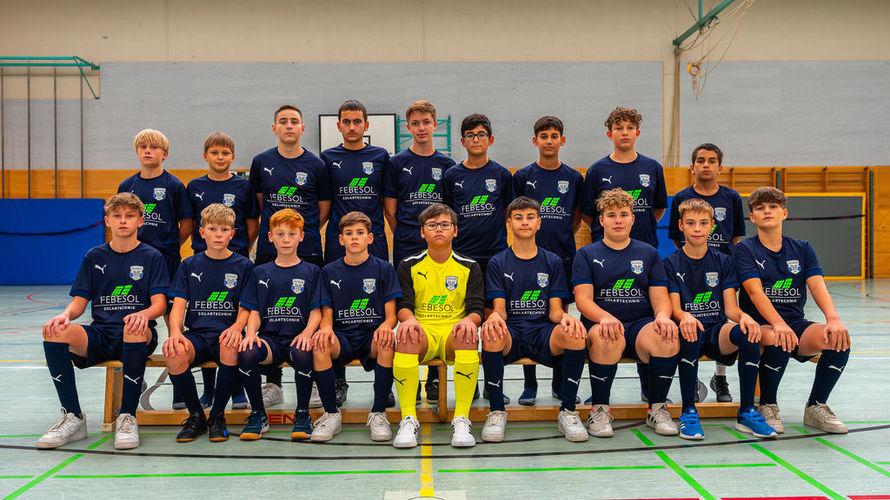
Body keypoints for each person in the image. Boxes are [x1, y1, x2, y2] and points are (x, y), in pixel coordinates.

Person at [37, 193, 168, 450]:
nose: (123, 221)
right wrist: (64, 316)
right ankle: (73, 416)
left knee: (133, 329)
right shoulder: (94, 256)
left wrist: (143, 315)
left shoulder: (151, 256)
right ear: (107, 220)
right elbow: (79, 302)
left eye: (129, 216)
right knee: (54, 332)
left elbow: (160, 304)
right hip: (102, 333)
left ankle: (127, 416)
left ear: (141, 220)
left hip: (138, 333)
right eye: (117, 216)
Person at [735, 187, 851, 434]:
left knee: (838, 339)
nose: (767, 211)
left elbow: (817, 286)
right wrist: (778, 324)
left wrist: (833, 319)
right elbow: (755, 293)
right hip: (760, 325)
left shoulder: (802, 248)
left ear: (784, 213)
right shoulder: (745, 250)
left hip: (796, 323)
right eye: (760, 208)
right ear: (752, 217)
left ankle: (816, 406)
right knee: (779, 338)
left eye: (773, 207)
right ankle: (768, 404)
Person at [664, 198, 776, 440]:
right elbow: (675, 309)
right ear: (680, 225)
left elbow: (731, 309)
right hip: (689, 330)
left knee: (749, 332)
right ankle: (688, 412)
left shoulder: (724, 261)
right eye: (690, 223)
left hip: (716, 331)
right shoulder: (670, 263)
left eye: (703, 223)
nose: (697, 228)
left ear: (712, 226)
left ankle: (747, 411)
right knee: (690, 333)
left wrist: (745, 317)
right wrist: (684, 316)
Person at [580, 106, 670, 405]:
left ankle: (649, 388)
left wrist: (634, 236)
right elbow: (587, 213)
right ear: (610, 134)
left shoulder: (652, 167)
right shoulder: (597, 170)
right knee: (605, 318)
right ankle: (600, 395)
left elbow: (658, 208)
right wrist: (611, 236)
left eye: (630, 128)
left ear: (637, 133)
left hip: (643, 251)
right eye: (619, 128)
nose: (625, 133)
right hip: (605, 255)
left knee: (645, 314)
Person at [480, 197, 588, 443]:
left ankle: (568, 411)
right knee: (492, 333)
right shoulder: (498, 262)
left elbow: (555, 312)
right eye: (518, 218)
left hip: (542, 331)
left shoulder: (552, 261)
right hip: (513, 332)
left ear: (539, 222)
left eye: (530, 217)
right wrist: (494, 317)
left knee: (575, 333)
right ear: (509, 223)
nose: (525, 222)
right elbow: (500, 310)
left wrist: (567, 318)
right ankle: (497, 411)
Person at [573, 188, 679, 438]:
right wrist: (604, 317)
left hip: (640, 325)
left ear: (633, 218)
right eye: (611, 215)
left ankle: (657, 408)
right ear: (601, 220)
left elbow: (660, 298)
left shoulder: (649, 253)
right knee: (605, 336)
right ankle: (599, 409)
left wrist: (663, 316)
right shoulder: (586, 254)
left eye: (623, 214)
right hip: (603, 324)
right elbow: (583, 300)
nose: (618, 220)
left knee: (667, 335)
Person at [248, 105, 330, 410]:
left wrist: (301, 233)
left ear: (302, 128)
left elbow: (323, 207)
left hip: (307, 249)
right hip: (271, 250)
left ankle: (314, 381)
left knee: (307, 311)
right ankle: (273, 382)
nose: (289, 125)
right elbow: (260, 204)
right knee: (271, 313)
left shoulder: (316, 164)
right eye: (283, 121)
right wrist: (279, 234)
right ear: (275, 128)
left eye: (294, 121)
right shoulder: (262, 162)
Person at [392, 203, 484, 448]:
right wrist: (409, 320)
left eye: (445, 224)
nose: (439, 229)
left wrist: (469, 320)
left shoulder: (469, 266)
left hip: (453, 330)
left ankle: (461, 418)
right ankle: (408, 419)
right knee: (406, 334)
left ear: (455, 230)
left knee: (468, 334)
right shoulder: (408, 264)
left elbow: (476, 309)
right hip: (423, 329)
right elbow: (404, 305)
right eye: (432, 225)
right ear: (422, 232)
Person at [383, 100, 455, 402]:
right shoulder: (396, 163)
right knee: (408, 309)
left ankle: (436, 379)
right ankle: (408, 375)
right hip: (407, 246)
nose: (421, 128)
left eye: (426, 122)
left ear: (435, 125)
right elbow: (390, 209)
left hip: (439, 248)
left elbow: (450, 211)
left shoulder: (448, 165)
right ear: (408, 127)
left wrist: (436, 237)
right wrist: (411, 233)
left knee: (439, 308)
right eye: (415, 123)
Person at [164, 204, 255, 442]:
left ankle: (217, 416)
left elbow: (246, 306)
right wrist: (175, 332)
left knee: (230, 346)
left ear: (232, 234)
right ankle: (196, 416)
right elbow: (178, 305)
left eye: (224, 230)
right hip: (197, 334)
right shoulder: (189, 265)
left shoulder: (244, 266)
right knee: (174, 351)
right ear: (202, 232)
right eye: (213, 229)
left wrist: (237, 328)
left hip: (227, 332)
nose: (218, 235)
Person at [511, 115, 584, 406]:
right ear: (535, 141)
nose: (549, 141)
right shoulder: (523, 176)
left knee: (559, 315)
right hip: (527, 258)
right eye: (544, 136)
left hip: (562, 257)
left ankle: (559, 381)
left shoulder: (574, 178)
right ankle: (529, 384)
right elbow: (517, 212)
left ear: (562, 140)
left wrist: (561, 238)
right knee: (528, 315)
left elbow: (576, 217)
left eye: (554, 136)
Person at [236, 209, 324, 441]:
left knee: (303, 351)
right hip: (271, 341)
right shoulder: (260, 272)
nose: (286, 239)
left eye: (292, 234)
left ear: (301, 236)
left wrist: (307, 333)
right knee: (247, 351)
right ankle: (258, 414)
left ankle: (302, 414)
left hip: (297, 338)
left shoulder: (312, 271)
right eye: (280, 234)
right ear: (270, 237)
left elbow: (316, 311)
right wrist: (251, 333)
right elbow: (254, 310)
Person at [185, 132, 258, 410]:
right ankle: (208, 389)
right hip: (203, 262)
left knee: (232, 323)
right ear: (205, 156)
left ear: (233, 157)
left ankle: (237, 389)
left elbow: (252, 222)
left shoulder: (243, 186)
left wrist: (239, 249)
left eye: (225, 153)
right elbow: (191, 223)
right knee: (207, 320)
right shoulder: (194, 186)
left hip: (235, 260)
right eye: (214, 152)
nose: (220, 157)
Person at [668, 143, 745, 403]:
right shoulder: (681, 197)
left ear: (720, 168)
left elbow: (736, 236)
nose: (706, 165)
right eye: (700, 160)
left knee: (721, 317)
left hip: (722, 270)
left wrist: (723, 263)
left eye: (712, 161)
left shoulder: (731, 197)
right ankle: (692, 380)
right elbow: (676, 238)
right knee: (691, 317)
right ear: (692, 167)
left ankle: (720, 377)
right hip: (689, 268)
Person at [316, 211, 401, 442]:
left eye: (360, 233)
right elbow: (327, 312)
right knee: (320, 345)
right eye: (349, 233)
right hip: (342, 336)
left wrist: (386, 326)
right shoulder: (329, 271)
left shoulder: (384, 269)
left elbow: (391, 315)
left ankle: (378, 413)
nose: (354, 237)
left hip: (371, 335)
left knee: (387, 342)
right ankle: (331, 414)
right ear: (341, 239)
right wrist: (325, 329)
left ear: (370, 238)